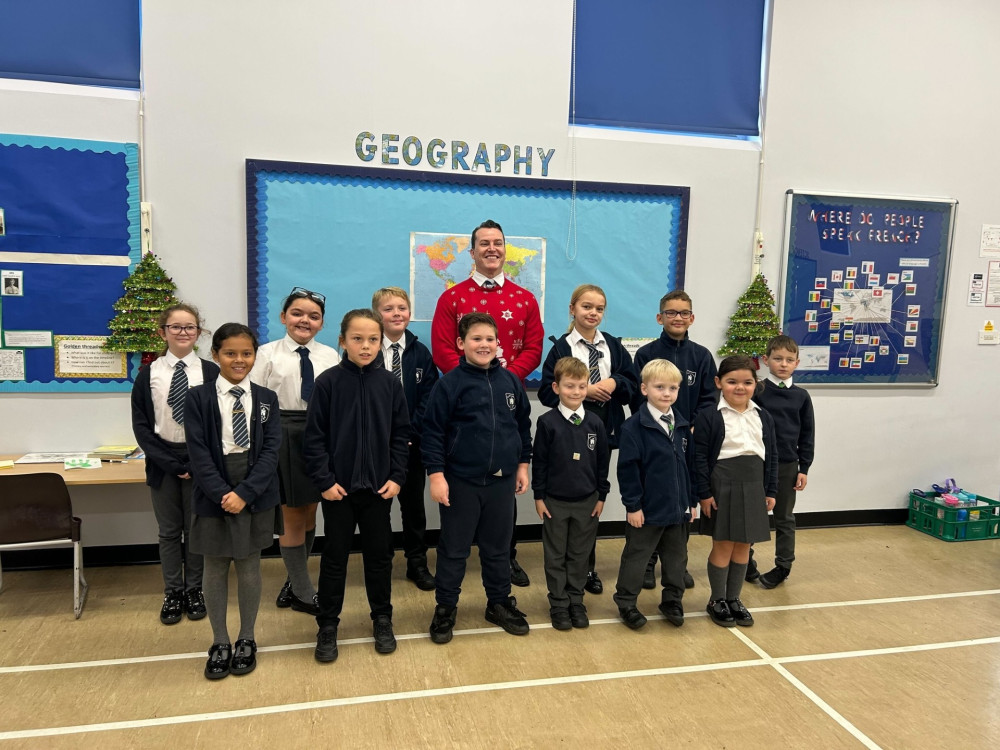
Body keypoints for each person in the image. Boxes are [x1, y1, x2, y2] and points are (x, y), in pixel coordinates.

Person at [430, 219, 543, 588]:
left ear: (505, 249)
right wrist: (472, 381)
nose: (491, 248)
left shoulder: (525, 299)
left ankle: (504, 563)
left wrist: (506, 377)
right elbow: (443, 346)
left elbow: (533, 348)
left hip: (504, 398)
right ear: (472, 251)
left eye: (497, 243)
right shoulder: (452, 297)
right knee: (459, 527)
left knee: (501, 510)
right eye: (483, 243)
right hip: (467, 402)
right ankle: (450, 592)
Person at [304, 309, 410, 663]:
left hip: (379, 490)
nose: (366, 346)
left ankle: (382, 618)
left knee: (380, 558)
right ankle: (328, 625)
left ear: (381, 342)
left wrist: (396, 476)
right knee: (334, 559)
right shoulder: (329, 382)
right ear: (343, 340)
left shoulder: (390, 384)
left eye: (373, 339)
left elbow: (401, 435)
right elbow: (314, 439)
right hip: (339, 491)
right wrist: (325, 481)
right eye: (357, 339)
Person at [422, 312, 533, 643]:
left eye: (489, 339)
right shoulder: (450, 384)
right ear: (461, 343)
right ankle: (445, 608)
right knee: (454, 550)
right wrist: (437, 476)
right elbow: (432, 433)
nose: (484, 345)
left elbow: (523, 427)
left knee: (498, 549)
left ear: (498, 344)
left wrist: (522, 465)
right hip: (461, 482)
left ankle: (498, 603)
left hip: (501, 483)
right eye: (476, 339)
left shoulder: (511, 382)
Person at [185, 323, 282, 680]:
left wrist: (245, 493)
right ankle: (220, 641)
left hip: (254, 490)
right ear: (215, 356)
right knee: (214, 567)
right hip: (214, 489)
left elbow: (271, 451)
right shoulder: (197, 398)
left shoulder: (267, 399)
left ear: (255, 356)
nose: (239, 360)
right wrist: (222, 492)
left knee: (249, 565)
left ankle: (247, 638)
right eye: (230, 353)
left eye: (246, 353)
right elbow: (197, 452)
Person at [538, 283, 637, 595]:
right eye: (586, 307)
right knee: (569, 496)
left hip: (603, 431)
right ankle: (564, 569)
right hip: (568, 435)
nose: (593, 313)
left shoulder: (613, 346)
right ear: (572, 309)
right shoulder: (561, 348)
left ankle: (586, 568)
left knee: (592, 497)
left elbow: (632, 384)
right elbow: (544, 391)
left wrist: (611, 382)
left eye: (599, 308)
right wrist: (586, 390)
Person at [250, 287, 340, 616]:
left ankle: (294, 579)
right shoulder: (266, 354)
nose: (305, 320)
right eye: (297, 313)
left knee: (310, 511)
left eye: (313, 316)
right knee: (291, 516)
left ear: (321, 323)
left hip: (319, 435)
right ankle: (303, 591)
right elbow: (254, 400)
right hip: (281, 433)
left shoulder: (329, 355)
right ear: (283, 317)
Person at [131, 303, 218, 626]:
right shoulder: (148, 374)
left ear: (199, 332)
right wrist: (169, 462)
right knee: (169, 531)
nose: (183, 332)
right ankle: (173, 591)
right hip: (162, 462)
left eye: (190, 327)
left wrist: (197, 462)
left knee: (196, 530)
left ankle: (195, 589)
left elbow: (217, 422)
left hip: (200, 462)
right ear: (162, 332)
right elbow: (142, 425)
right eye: (176, 327)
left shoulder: (210, 372)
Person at [632, 290, 717, 590]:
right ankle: (647, 563)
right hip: (653, 440)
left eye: (683, 313)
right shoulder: (645, 354)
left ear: (691, 318)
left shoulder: (702, 356)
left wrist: (693, 429)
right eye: (671, 313)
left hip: (688, 439)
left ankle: (676, 565)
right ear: (660, 317)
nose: (677, 318)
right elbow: (636, 396)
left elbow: (709, 398)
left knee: (683, 499)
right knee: (653, 498)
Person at [693, 355, 778, 628]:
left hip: (753, 484)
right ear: (719, 383)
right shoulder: (709, 416)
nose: (739, 388)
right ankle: (717, 599)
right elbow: (700, 458)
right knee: (723, 544)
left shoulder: (763, 416)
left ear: (756, 384)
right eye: (732, 382)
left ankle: (734, 598)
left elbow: (772, 456)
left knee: (744, 545)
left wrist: (771, 489)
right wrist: (704, 493)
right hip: (722, 484)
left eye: (747, 382)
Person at [613, 359, 697, 630]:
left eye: (673, 388)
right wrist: (633, 505)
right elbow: (627, 471)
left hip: (678, 509)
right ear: (644, 389)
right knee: (637, 558)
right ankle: (626, 602)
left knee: (676, 560)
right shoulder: (634, 428)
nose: (666, 393)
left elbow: (689, 466)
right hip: (647, 510)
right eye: (659, 387)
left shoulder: (682, 425)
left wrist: (690, 501)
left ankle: (672, 600)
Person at [533, 357, 610, 630]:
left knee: (579, 554)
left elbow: (603, 462)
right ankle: (558, 603)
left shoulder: (595, 424)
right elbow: (539, 461)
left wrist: (601, 495)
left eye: (581, 386)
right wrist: (538, 496)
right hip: (554, 502)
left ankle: (576, 601)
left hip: (587, 502)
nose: (575, 392)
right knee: (555, 555)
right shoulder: (547, 422)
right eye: (569, 386)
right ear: (556, 387)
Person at [372, 287, 440, 591]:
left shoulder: (420, 352)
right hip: (376, 447)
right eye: (388, 309)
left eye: (402, 308)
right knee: (379, 508)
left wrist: (409, 434)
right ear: (377, 315)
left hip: (411, 445)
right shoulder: (368, 351)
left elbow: (429, 398)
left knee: (413, 507)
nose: (396, 314)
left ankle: (417, 562)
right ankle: (382, 561)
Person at [751, 335, 815, 589]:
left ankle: (783, 565)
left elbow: (807, 433)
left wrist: (804, 468)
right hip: (759, 463)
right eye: (777, 359)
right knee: (753, 514)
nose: (783, 364)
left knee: (784, 517)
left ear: (797, 363)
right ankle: (746, 561)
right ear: (766, 361)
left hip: (788, 465)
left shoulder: (801, 396)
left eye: (789, 360)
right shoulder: (758, 391)